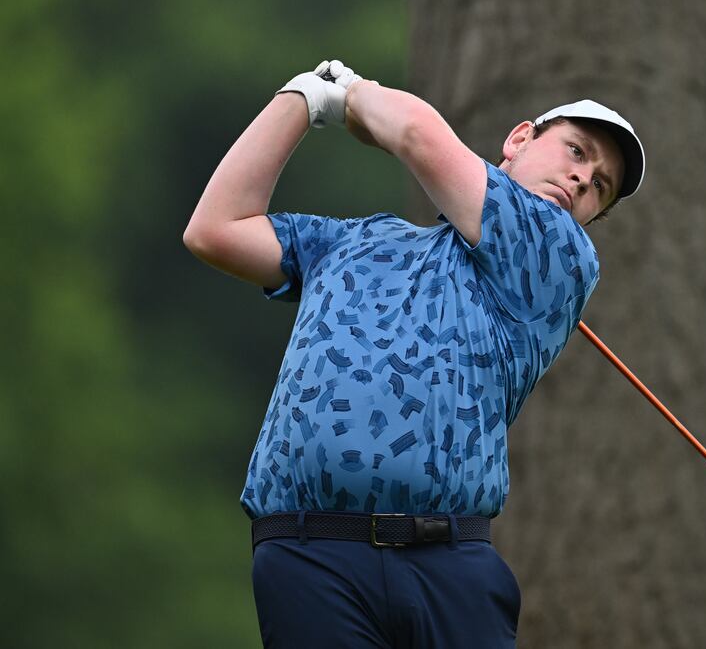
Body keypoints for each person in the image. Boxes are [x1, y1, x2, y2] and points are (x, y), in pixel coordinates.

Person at [183, 59, 645, 649]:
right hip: (309, 556)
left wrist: (353, 94)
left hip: (448, 567)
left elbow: (416, 134)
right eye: (577, 152)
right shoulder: (354, 241)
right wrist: (300, 98)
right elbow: (215, 230)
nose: (583, 180)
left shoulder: (557, 255)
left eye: (600, 186)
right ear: (519, 139)